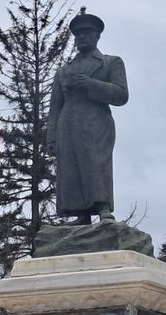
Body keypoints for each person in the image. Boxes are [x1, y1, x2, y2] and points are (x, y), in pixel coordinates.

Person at [46, 11, 129, 225]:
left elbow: (121, 95)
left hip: (96, 123)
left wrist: (92, 85)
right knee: (70, 168)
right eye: (78, 34)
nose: (81, 37)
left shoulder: (111, 62)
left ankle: (103, 209)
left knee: (96, 163)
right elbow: (55, 107)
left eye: (86, 33)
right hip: (68, 125)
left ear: (96, 36)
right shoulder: (64, 71)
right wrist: (52, 138)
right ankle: (80, 214)